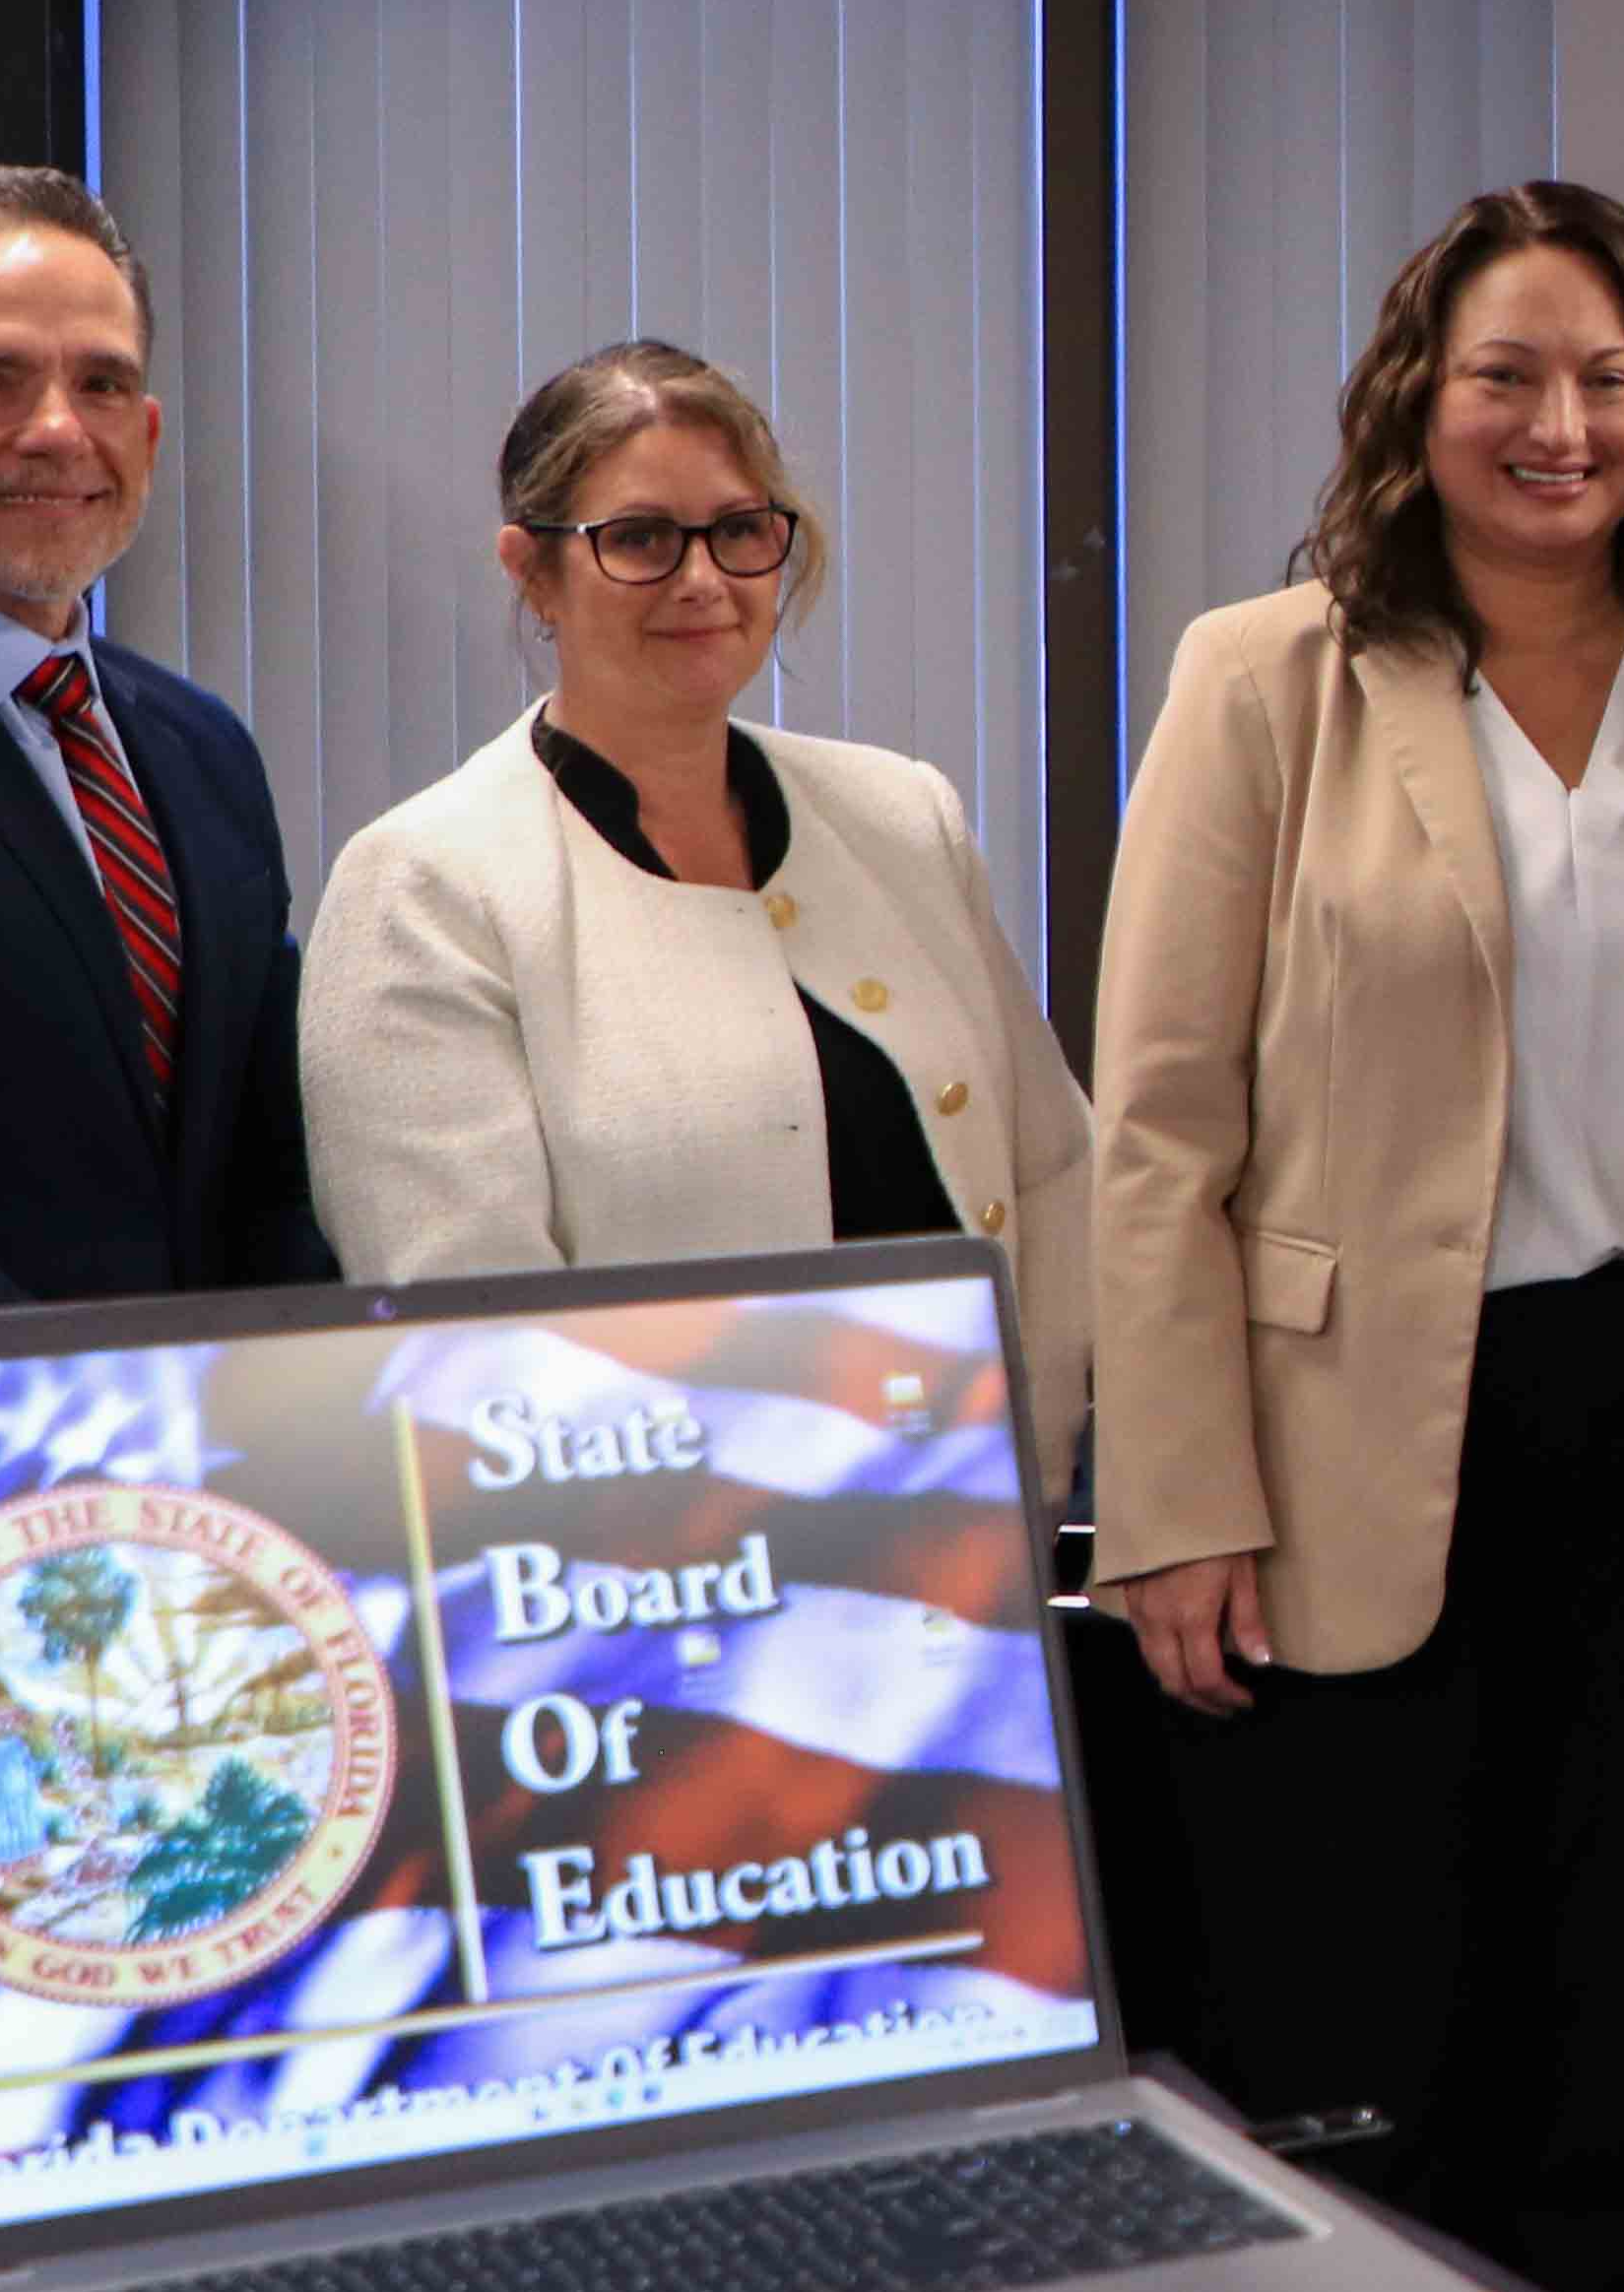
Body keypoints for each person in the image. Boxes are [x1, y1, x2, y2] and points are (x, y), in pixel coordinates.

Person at [1089, 180, 1624, 2292]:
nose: (1559, 425)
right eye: (1505, 374)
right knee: (1379, 2054)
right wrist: (1177, 1493)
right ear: (1420, 401)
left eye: (1608, 380)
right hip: (1355, 1458)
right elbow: (1160, 1125)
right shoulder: (1269, 677)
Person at [301, 342, 1088, 1469]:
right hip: (668, 1580)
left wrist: (1034, 1466)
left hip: (976, 1531)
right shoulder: (428, 883)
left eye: (739, 530)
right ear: (531, 571)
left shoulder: (901, 816)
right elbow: (470, 1342)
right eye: (639, 540)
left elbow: (1057, 1174)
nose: (705, 580)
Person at [0, 164, 327, 1311]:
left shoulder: (202, 752)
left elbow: (271, 1159)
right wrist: (88, 1421)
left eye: (102, 385)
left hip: (204, 1465)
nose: (57, 431)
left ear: (144, 431)